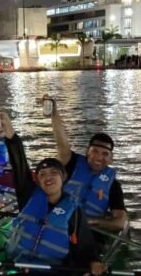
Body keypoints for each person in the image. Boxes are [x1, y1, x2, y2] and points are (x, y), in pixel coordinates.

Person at [0, 112, 105, 276]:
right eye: (42, 175)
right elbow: (19, 164)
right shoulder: (28, 195)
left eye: (53, 173)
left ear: (63, 178)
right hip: (15, 272)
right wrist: (10, 134)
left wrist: (94, 261)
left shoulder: (73, 211)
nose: (47, 177)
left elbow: (86, 247)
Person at [49, 98, 127, 232]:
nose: (99, 157)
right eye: (95, 151)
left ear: (111, 159)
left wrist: (92, 221)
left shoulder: (113, 186)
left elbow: (120, 222)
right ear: (87, 152)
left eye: (105, 154)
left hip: (85, 233)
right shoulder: (71, 163)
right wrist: (53, 113)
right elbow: (62, 143)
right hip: (56, 224)